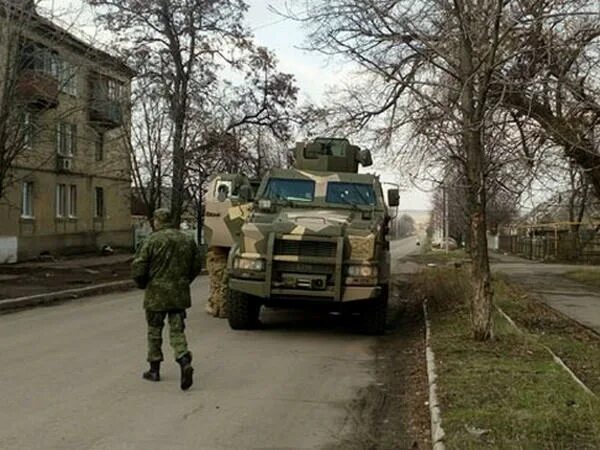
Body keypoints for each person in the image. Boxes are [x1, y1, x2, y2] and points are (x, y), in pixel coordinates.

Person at [131, 208, 202, 390]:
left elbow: (139, 266)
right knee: (177, 331)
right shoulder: (187, 240)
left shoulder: (152, 240)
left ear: (157, 221)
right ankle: (184, 359)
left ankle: (154, 370)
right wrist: (184, 281)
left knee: (154, 331)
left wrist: (142, 283)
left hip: (156, 295)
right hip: (178, 294)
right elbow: (196, 265)